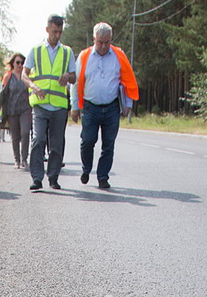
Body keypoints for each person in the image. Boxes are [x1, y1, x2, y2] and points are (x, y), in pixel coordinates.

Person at [70, 22, 138, 189]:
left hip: (111, 107)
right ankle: (86, 169)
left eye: (107, 42)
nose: (103, 46)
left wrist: (128, 103)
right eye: (100, 42)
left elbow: (127, 80)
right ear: (94, 39)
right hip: (90, 106)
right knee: (87, 140)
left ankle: (103, 177)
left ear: (110, 40)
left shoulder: (118, 55)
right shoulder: (84, 56)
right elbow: (75, 82)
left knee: (109, 143)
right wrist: (74, 107)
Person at [23, 15, 76, 191]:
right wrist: (33, 86)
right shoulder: (36, 51)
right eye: (54, 31)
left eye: (60, 32)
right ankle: (37, 178)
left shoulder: (67, 52)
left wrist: (68, 76)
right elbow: (24, 74)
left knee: (56, 143)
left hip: (59, 106)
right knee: (38, 139)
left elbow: (74, 77)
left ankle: (53, 177)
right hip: (40, 104)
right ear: (47, 30)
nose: (57, 35)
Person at [0, 53, 33, 169]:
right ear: (13, 63)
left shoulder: (27, 76)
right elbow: (3, 93)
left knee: (25, 133)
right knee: (15, 136)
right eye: (17, 62)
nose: (20, 65)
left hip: (25, 109)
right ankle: (17, 160)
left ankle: (24, 159)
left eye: (22, 63)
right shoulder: (8, 76)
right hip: (12, 110)